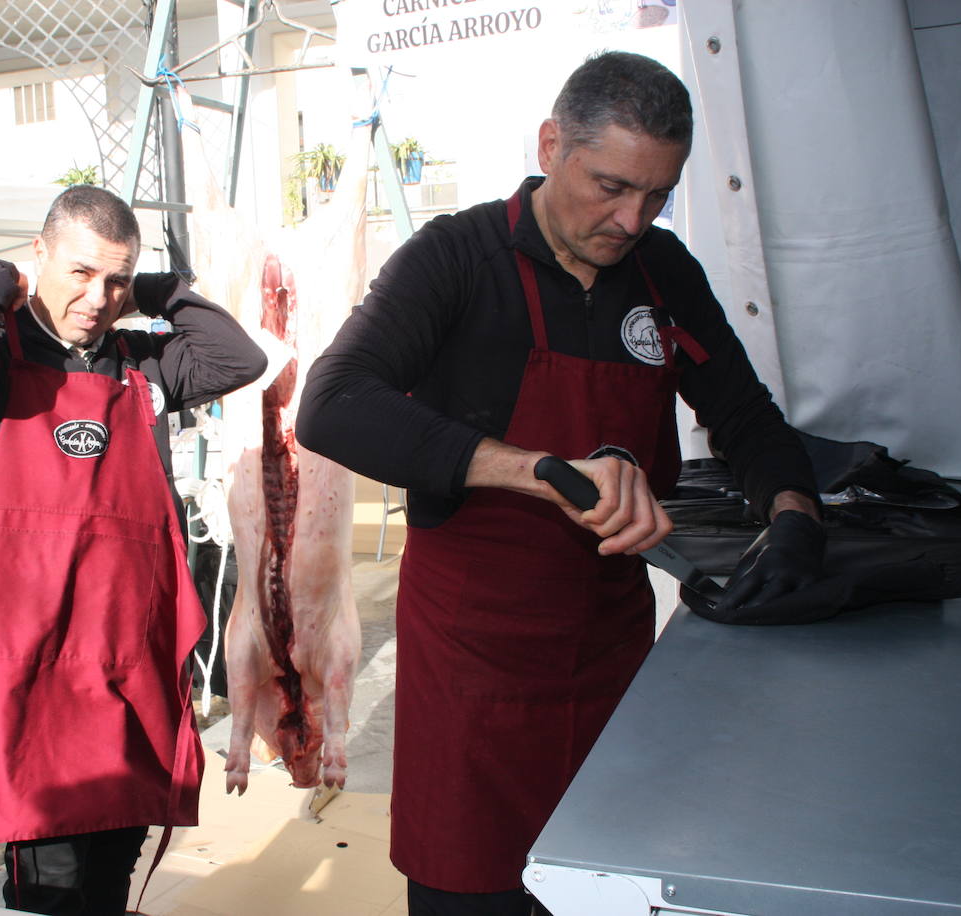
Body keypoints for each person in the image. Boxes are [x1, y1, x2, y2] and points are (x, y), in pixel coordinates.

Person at [296, 52, 825, 915]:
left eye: (657, 195)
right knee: (475, 891)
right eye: (611, 186)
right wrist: (535, 469)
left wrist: (795, 514)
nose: (631, 218)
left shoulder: (662, 273)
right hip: (474, 657)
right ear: (552, 144)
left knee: (608, 885)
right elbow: (333, 404)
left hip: (610, 644)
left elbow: (744, 416)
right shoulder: (456, 259)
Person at [0, 185, 266, 915]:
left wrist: (159, 290)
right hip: (34, 685)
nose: (99, 297)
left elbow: (239, 357)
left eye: (117, 279)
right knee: (51, 889)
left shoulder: (140, 363)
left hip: (125, 673)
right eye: (80, 272)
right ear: (39, 256)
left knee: (110, 872)